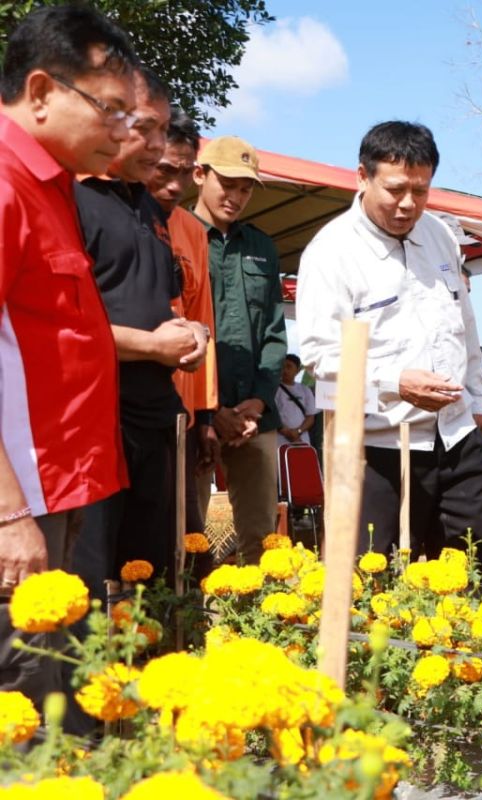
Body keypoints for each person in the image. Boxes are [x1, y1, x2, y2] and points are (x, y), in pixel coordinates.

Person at [0, 3, 136, 707]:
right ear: (44, 91)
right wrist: (7, 515)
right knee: (20, 699)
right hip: (19, 500)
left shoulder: (51, 188)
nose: (123, 132)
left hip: (60, 487)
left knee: (57, 694)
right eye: (110, 109)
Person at [296, 121, 482, 565]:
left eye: (421, 190)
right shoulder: (331, 252)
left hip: (457, 437)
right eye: (395, 190)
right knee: (371, 580)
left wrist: (475, 403)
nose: (408, 204)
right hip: (377, 447)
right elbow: (318, 354)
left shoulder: (440, 236)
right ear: (362, 177)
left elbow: (464, 328)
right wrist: (394, 382)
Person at [73, 66, 209, 595]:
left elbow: (152, 300)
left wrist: (188, 334)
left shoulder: (152, 212)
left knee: (155, 571)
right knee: (92, 575)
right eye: (147, 132)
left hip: (158, 414)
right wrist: (152, 345)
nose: (157, 151)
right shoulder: (73, 199)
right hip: (97, 419)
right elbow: (62, 326)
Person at [193, 135, 287, 562]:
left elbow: (273, 331)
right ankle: (189, 628)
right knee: (187, 539)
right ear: (200, 175)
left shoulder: (262, 247)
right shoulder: (175, 234)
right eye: (227, 183)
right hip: (194, 417)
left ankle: (263, 623)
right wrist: (209, 411)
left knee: (263, 541)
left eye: (246, 187)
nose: (236, 196)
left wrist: (258, 403)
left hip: (255, 419)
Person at [145, 106, 218, 533]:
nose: (174, 186)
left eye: (185, 172)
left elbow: (202, 319)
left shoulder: (193, 231)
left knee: (183, 538)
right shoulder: (103, 213)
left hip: (182, 413)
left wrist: (206, 417)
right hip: (121, 408)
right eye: (163, 169)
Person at [276, 354, 317, 447]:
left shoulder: (305, 390)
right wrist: (287, 433)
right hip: (279, 440)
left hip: (302, 439)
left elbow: (310, 417)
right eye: (283, 367)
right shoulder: (274, 389)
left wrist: (298, 431)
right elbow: (272, 414)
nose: (285, 370)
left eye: (289, 366)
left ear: (298, 370)